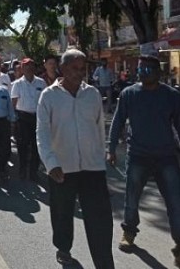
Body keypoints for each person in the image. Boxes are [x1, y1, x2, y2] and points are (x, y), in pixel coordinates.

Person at [37, 49, 114, 268]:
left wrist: (101, 159)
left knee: (100, 220)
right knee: (62, 214)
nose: (79, 73)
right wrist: (50, 163)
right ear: (62, 69)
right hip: (62, 169)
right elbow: (42, 133)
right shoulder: (49, 96)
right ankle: (63, 247)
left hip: (92, 168)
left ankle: (104, 263)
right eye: (74, 68)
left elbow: (100, 130)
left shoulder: (92, 94)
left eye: (82, 69)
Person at [108, 55, 180, 268]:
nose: (142, 72)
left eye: (147, 69)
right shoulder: (129, 94)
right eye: (140, 69)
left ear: (158, 72)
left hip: (166, 157)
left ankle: (179, 245)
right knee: (131, 199)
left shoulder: (171, 96)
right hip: (138, 155)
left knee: (176, 203)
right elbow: (117, 121)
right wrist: (111, 148)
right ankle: (129, 233)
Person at [10, 58, 46, 181]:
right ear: (22, 69)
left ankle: (33, 172)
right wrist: (12, 121)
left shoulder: (41, 83)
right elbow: (13, 104)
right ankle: (22, 170)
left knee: (37, 146)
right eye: (26, 66)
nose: (29, 68)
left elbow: (45, 102)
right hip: (22, 118)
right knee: (22, 146)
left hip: (37, 118)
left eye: (31, 66)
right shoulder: (17, 84)